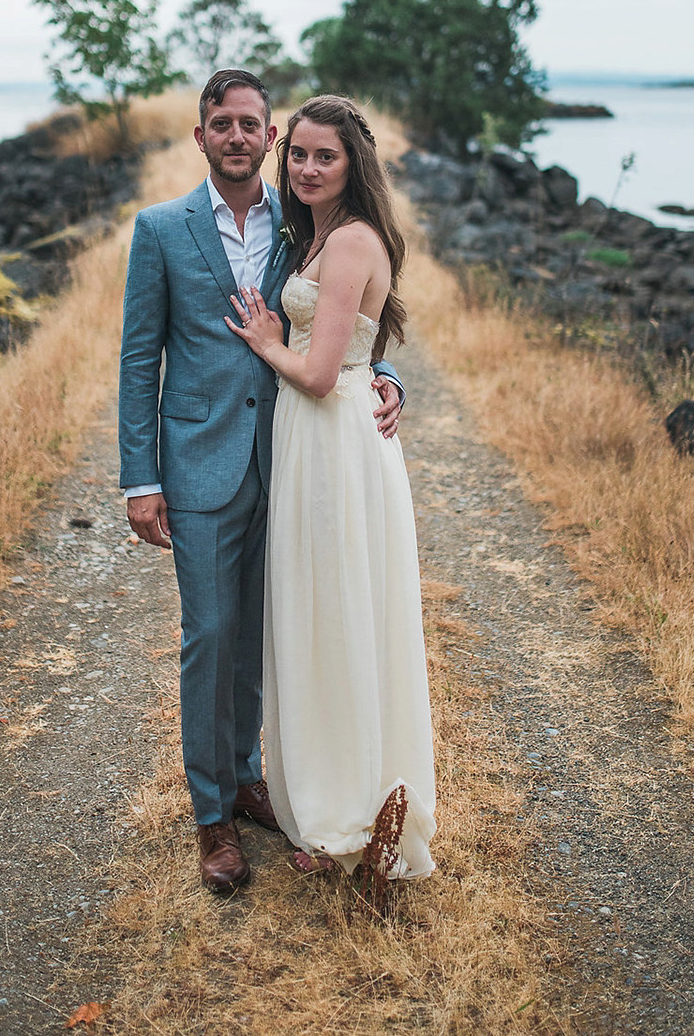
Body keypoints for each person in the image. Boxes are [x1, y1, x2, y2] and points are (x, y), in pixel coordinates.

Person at [118, 71, 404, 893]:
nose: (237, 136)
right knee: (210, 636)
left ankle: (250, 779)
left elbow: (344, 319)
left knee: (263, 640)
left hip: (293, 462)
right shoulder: (162, 230)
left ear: (269, 136)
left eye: (251, 124)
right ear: (200, 136)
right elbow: (142, 360)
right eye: (221, 124)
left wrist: (386, 378)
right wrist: (142, 479)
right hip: (200, 465)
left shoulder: (303, 220)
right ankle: (212, 817)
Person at [226, 94, 436, 880]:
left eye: (326, 157)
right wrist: (379, 371)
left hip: (334, 441)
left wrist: (268, 341)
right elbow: (352, 350)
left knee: (341, 616)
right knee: (320, 615)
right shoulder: (311, 231)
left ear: (355, 163)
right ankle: (336, 806)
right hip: (316, 441)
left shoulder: (349, 240)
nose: (307, 168)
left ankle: (353, 818)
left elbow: (318, 374)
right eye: (300, 155)